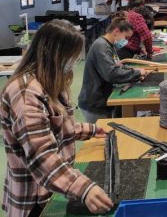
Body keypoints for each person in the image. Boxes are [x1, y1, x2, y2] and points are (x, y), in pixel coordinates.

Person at [0, 20, 113, 216]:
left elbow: (52, 126)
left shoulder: (49, 81)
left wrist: (90, 130)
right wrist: (84, 188)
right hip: (34, 200)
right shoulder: (26, 94)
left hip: (52, 189)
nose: (74, 62)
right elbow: (42, 156)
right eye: (71, 57)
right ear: (54, 54)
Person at [78, 12, 146, 123]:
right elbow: (111, 74)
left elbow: (117, 66)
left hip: (102, 100)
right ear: (116, 32)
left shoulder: (109, 45)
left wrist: (133, 72)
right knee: (102, 137)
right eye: (126, 37)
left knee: (108, 135)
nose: (127, 41)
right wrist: (137, 73)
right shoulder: (101, 46)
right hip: (94, 103)